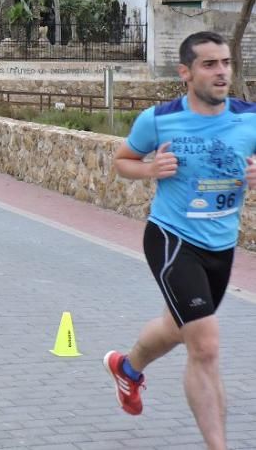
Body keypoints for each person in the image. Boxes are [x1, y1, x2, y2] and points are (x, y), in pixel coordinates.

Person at [104, 31, 256, 450]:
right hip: (172, 239)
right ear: (186, 72)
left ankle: (127, 367)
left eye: (225, 62)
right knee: (204, 344)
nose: (222, 71)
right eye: (210, 64)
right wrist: (150, 170)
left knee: (177, 327)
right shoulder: (158, 119)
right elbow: (122, 161)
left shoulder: (250, 118)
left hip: (221, 246)